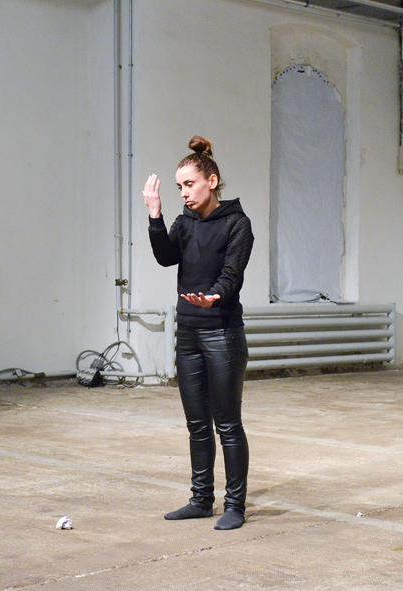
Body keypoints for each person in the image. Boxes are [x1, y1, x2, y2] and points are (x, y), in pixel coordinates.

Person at [143, 135, 254, 530]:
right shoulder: (184, 222)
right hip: (188, 333)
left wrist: (214, 296)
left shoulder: (237, 223)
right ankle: (201, 500)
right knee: (196, 425)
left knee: (228, 424)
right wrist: (155, 214)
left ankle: (235, 506)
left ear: (212, 180)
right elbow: (165, 257)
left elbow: (232, 275)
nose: (184, 194)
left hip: (222, 334)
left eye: (189, 184)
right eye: (179, 187)